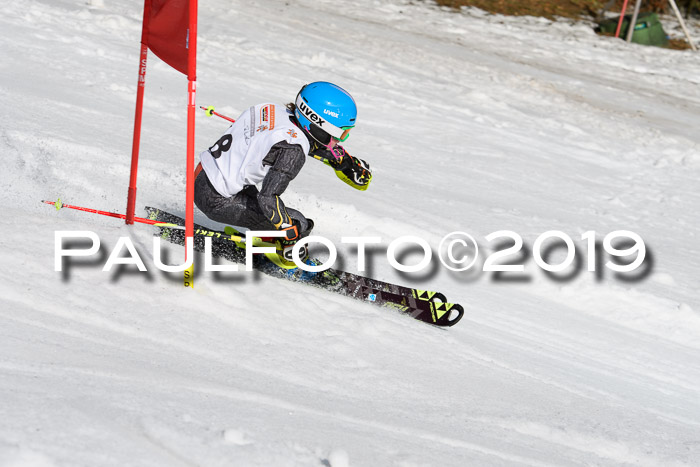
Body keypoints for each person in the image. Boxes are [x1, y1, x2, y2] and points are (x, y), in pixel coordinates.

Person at [193, 81, 372, 269]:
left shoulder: (273, 110)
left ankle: (267, 241)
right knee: (299, 224)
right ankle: (290, 260)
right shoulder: (293, 151)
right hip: (215, 200)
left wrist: (345, 162)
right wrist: (289, 231)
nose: (340, 140)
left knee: (280, 218)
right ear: (319, 124)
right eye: (341, 134)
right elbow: (268, 197)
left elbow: (287, 141)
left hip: (204, 174)